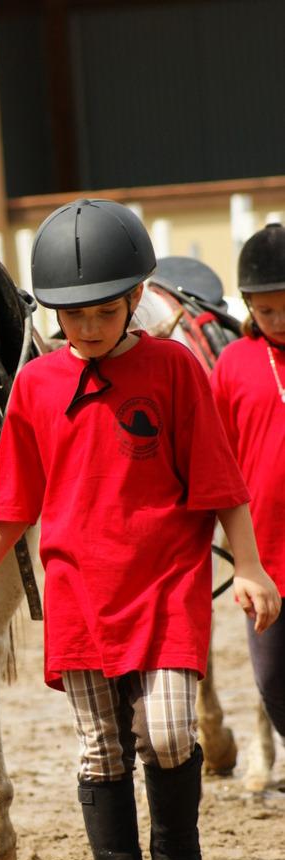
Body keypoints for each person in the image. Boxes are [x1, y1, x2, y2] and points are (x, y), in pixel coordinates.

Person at [0, 199, 281, 860]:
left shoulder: (176, 369)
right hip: (80, 595)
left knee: (169, 732)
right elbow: (13, 508)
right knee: (102, 748)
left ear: (135, 298)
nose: (87, 327)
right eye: (73, 314)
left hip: (168, 585)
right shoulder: (37, 386)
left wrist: (248, 566)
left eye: (105, 312)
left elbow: (221, 482)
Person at [211, 223, 285, 747]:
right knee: (273, 680)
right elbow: (218, 459)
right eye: (266, 311)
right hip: (264, 558)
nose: (279, 321)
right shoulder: (233, 364)